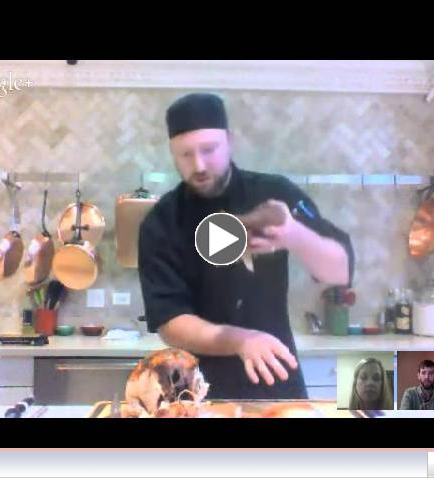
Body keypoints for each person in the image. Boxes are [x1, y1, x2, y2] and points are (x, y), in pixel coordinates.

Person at [138, 92, 355, 399]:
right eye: (185, 155)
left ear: (230, 141)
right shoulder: (161, 222)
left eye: (209, 150)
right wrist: (241, 340)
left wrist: (295, 234)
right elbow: (170, 321)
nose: (199, 165)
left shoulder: (275, 194)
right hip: (197, 395)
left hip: (275, 380)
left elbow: (339, 271)